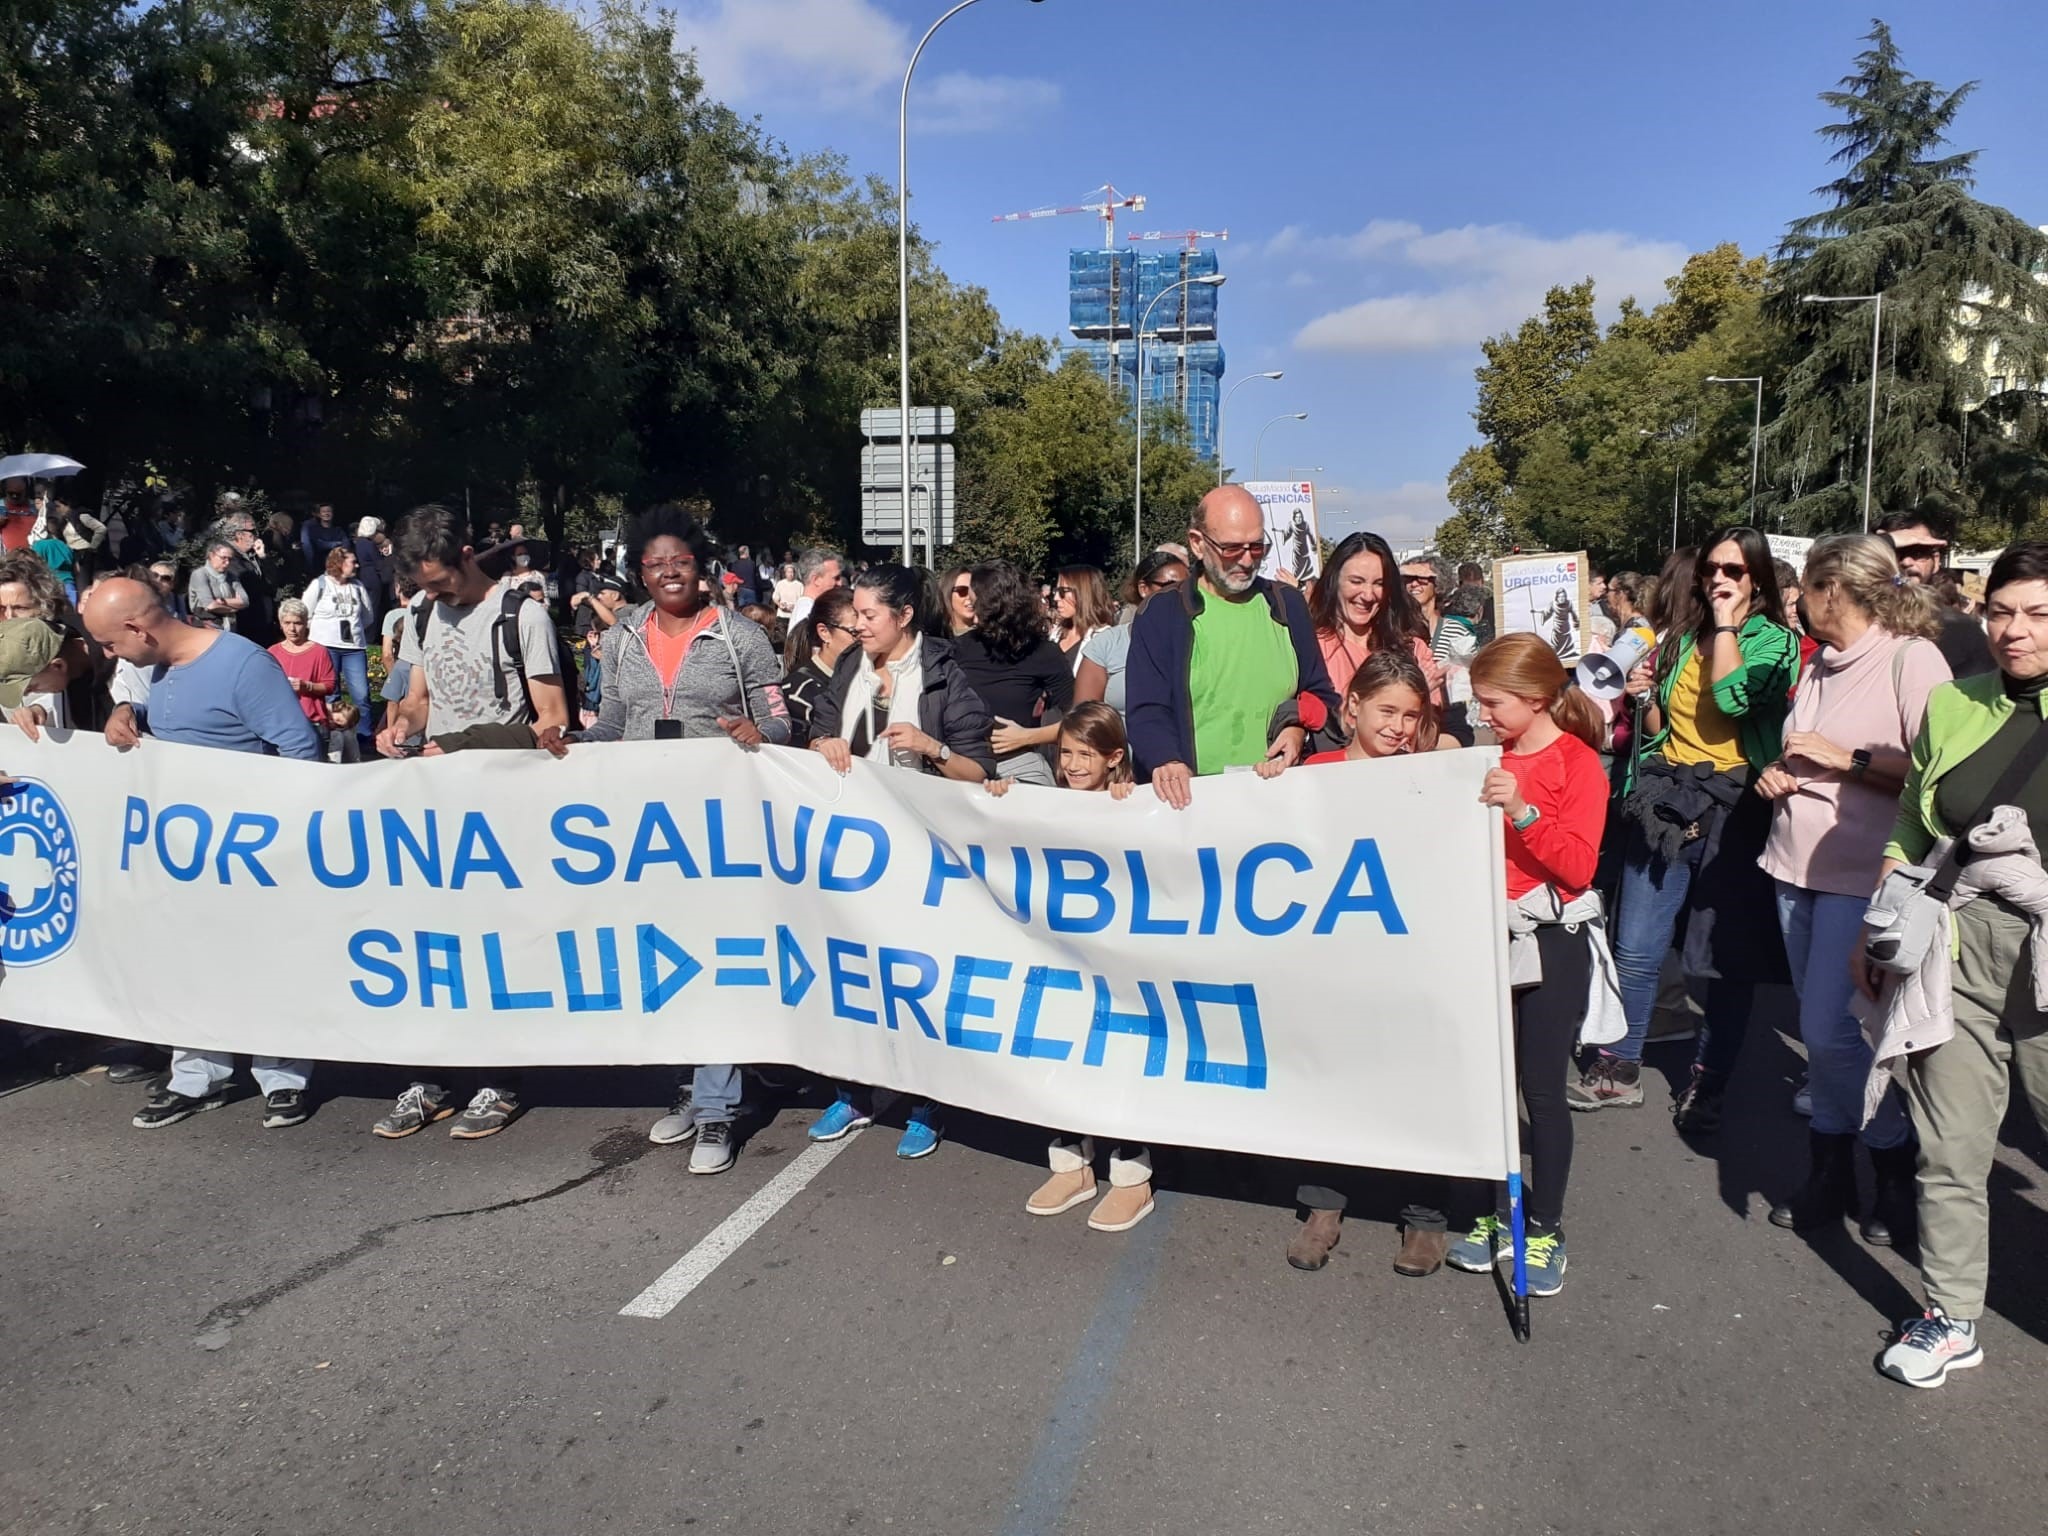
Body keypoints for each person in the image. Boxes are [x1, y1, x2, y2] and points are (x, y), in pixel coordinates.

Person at [1864, 542, 2048, 1389]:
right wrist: (1884, 920)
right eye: (2003, 611)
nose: (2015, 631)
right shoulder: (1952, 702)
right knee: (1950, 1147)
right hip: (1957, 947)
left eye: (2039, 614)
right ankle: (1951, 1315)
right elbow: (1911, 822)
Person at [573, 506, 787, 1176]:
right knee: (663, 962)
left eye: (681, 563)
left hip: (717, 827)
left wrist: (761, 735)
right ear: (638, 572)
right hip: (643, 829)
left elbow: (780, 721)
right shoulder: (625, 636)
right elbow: (614, 717)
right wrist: (575, 748)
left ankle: (720, 1114)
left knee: (714, 961)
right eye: (655, 564)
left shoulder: (738, 636)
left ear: (701, 568)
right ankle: (690, 1092)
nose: (669, 573)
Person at [1754, 535, 1950, 1244]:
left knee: (1828, 1034)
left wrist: (1851, 760)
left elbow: (1939, 773)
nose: (1796, 602)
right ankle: (1835, 1170)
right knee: (1827, 1034)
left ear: (1831, 589)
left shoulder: (1908, 657)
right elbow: (1796, 749)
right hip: (1791, 866)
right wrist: (1777, 773)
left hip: (1863, 876)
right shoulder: (1820, 665)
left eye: (1803, 588)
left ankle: (1888, 1160)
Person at [1573, 528, 1798, 1126]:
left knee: (1725, 958)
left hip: (1738, 808)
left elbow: (1734, 703)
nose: (1721, 578)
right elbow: (1665, 726)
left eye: (1736, 570)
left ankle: (1709, 1080)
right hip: (1669, 798)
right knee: (1638, 944)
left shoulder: (1776, 642)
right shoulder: (1678, 639)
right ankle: (1618, 1067)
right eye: (1713, 569)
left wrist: (1725, 628)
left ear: (1756, 581)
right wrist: (1644, 696)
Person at [78, 578, 322, 1130]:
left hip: (248, 854)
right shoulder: (160, 666)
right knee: (189, 963)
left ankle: (281, 1074)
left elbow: (298, 747)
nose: (111, 655)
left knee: (261, 962)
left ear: (139, 628)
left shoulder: (242, 664)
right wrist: (125, 712)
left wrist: (277, 836)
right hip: (186, 854)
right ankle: (197, 1074)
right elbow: (163, 713)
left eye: (113, 644)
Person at [371, 506, 571, 1142]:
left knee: (494, 944)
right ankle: (430, 1076)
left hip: (503, 805)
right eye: (422, 588)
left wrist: (465, 744)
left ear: (463, 553)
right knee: (430, 942)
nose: (433, 595)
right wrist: (397, 725)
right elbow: (417, 695)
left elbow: (551, 720)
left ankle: (499, 1075)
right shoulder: (421, 615)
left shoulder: (524, 615)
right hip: (434, 799)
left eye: (438, 582)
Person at [1438, 634, 1611, 1297]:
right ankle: (1494, 1210)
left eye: (1493, 703)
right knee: (1488, 1084)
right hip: (1484, 933)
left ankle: (1544, 1225)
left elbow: (1577, 866)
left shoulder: (1577, 763)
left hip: (1548, 939)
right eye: (1478, 702)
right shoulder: (1489, 754)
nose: (1483, 715)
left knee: (1540, 1088)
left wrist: (1522, 810)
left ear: (1536, 699)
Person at [805, 565, 994, 1159]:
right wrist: (823, 744)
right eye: (854, 616)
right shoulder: (847, 668)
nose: (856, 627)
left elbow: (978, 768)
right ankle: (854, 1092)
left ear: (904, 615)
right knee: (851, 975)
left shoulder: (943, 672)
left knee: (917, 979)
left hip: (922, 854)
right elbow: (816, 733)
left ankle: (926, 1102)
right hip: (853, 852)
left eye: (868, 616)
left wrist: (931, 746)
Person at [1285, 650, 1455, 1275]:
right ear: (1351, 706)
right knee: (1333, 1076)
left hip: (1408, 959)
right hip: (1334, 959)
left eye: (1412, 715)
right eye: (1386, 710)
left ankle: (1425, 1216)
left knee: (1415, 1079)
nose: (1398, 727)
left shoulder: (1431, 776)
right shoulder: (1315, 772)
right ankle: (1323, 1206)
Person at [983, 703, 1154, 1231]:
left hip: (1122, 967)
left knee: (1120, 1060)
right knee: (1061, 1055)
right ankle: (1071, 1165)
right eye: (1066, 754)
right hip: (1062, 962)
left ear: (1114, 758)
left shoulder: (1136, 805)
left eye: (1087, 755)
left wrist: (1132, 806)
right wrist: (999, 803)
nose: (1074, 765)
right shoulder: (1050, 804)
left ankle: (1132, 1175)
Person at [1126, 485, 1336, 805]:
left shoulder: (1288, 604)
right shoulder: (1161, 612)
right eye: (1232, 548)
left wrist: (1296, 728)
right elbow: (1146, 708)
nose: (1247, 560)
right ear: (1197, 543)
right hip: (1190, 805)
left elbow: (1320, 694)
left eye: (1257, 547)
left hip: (1278, 799)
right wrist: (1166, 759)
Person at [952, 561, 1074, 786]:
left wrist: (1028, 736)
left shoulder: (1043, 652)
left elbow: (1083, 721)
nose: (968, 601)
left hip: (1019, 767)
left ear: (994, 601)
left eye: (973, 595)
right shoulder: (957, 649)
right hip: (961, 769)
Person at [1310, 531, 1444, 707]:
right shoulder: (1312, 650)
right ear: (1334, 582)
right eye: (1356, 581)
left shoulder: (1414, 650)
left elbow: (1438, 726)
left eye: (1379, 584)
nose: (1367, 595)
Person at [1876, 510, 1993, 679]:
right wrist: (1880, 542)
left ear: (1936, 561)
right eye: (1895, 552)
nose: (1906, 562)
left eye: (1918, 553)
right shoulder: (1844, 617)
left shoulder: (1960, 629)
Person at [1075, 551, 1188, 716]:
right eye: (1171, 586)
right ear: (1143, 589)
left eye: (1187, 587)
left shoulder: (1199, 640)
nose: (1182, 594)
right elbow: (1082, 722)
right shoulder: (1106, 645)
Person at [303, 545, 374, 752]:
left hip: (353, 647)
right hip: (326, 646)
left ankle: (363, 737)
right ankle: (331, 735)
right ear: (340, 564)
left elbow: (368, 615)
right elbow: (305, 612)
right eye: (353, 561)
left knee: (361, 694)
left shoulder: (358, 586)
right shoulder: (320, 584)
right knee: (330, 692)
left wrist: (355, 629)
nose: (357, 565)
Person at [267, 598, 345, 758]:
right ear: (280, 623)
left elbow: (330, 686)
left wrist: (307, 687)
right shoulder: (272, 652)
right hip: (281, 724)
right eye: (287, 623)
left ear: (306, 624)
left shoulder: (319, 652)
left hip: (313, 723)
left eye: (297, 623)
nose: (292, 628)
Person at [779, 587, 857, 747]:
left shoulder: (871, 679)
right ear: (824, 632)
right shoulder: (797, 691)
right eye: (855, 632)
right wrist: (818, 746)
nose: (864, 639)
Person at [1051, 566, 1117, 666]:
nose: (1056, 598)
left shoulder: (1104, 639)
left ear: (1083, 593)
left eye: (1063, 591)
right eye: (1056, 591)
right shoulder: (1056, 634)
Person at [187, 541, 247, 632]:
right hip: (208, 627)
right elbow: (210, 605)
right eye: (223, 558)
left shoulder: (231, 577)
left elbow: (245, 601)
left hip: (230, 626)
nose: (227, 563)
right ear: (211, 555)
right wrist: (233, 609)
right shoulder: (200, 574)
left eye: (230, 559)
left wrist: (222, 601)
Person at [786, 547, 845, 629]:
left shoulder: (812, 609)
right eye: (836, 578)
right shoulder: (809, 614)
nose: (840, 583)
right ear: (816, 580)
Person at [353, 517, 396, 625]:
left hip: (364, 576)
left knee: (368, 604)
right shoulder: (369, 544)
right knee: (373, 607)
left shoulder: (359, 542)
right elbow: (378, 562)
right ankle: (370, 633)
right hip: (373, 578)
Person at [299, 503, 349, 573]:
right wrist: (337, 543)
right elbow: (319, 545)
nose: (326, 513)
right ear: (319, 515)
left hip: (337, 567)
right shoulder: (314, 530)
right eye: (323, 511)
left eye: (329, 511)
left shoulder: (338, 530)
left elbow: (346, 544)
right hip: (319, 567)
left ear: (333, 513)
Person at [940, 566, 976, 636]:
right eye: (962, 590)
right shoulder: (937, 636)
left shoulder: (989, 636)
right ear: (948, 594)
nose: (970, 596)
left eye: (974, 590)